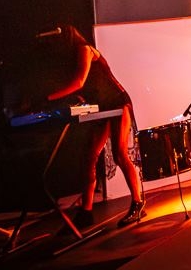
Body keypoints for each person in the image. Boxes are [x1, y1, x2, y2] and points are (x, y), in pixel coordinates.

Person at [40, 25, 144, 229]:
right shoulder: (71, 59)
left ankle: (138, 202)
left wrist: (48, 98)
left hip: (118, 102)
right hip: (103, 107)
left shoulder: (85, 49)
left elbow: (79, 82)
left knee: (120, 154)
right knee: (90, 156)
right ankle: (86, 211)